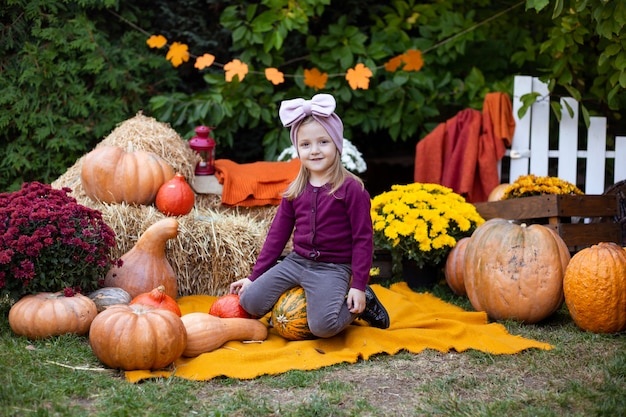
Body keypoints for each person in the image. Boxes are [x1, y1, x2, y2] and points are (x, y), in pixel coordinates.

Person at [229, 93, 390, 338]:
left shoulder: (351, 189)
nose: (314, 151)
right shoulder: (295, 190)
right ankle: (296, 298)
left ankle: (362, 303)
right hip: (297, 262)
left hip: (333, 268)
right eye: (305, 145)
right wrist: (254, 277)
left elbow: (363, 240)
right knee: (249, 301)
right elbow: (277, 235)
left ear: (336, 144)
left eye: (323, 142)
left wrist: (358, 285)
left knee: (323, 327)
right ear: (298, 149)